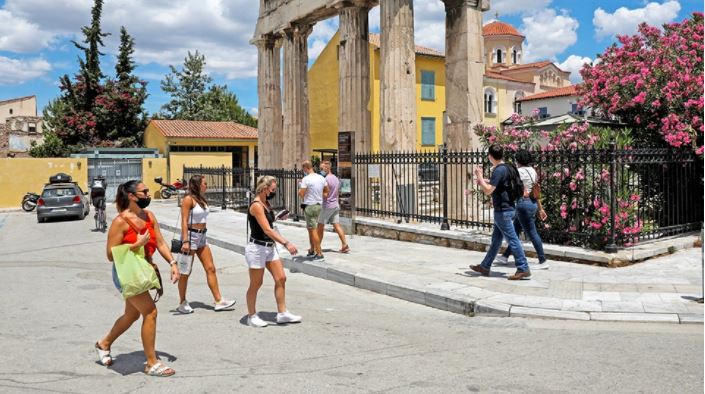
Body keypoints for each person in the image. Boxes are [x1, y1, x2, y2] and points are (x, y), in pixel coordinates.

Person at [95, 180, 180, 377]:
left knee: (132, 315)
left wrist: (173, 263)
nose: (148, 194)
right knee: (150, 312)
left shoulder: (149, 215)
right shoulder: (120, 222)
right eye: (144, 192)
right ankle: (151, 363)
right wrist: (135, 245)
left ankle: (104, 343)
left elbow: (160, 242)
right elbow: (110, 255)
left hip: (142, 270)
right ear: (132, 196)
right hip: (126, 273)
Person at [175, 175, 236, 314]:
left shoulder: (201, 199)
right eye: (204, 183)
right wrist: (185, 241)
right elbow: (184, 221)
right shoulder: (188, 200)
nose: (206, 185)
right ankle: (182, 302)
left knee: (211, 268)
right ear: (197, 185)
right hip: (190, 237)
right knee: (185, 271)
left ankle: (218, 300)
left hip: (202, 236)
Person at [245, 175, 301, 327]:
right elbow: (267, 230)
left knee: (281, 278)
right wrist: (286, 243)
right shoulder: (256, 205)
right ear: (264, 189)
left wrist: (278, 217)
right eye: (273, 189)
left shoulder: (266, 203)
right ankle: (251, 316)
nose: (274, 192)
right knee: (256, 283)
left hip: (269, 247)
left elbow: (269, 223)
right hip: (257, 248)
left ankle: (282, 313)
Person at [470, 145, 531, 280]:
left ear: (490, 156)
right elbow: (501, 186)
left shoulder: (498, 170)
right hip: (509, 208)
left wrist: (479, 177)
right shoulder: (508, 167)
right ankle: (485, 266)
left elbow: (488, 191)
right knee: (496, 240)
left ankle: (523, 267)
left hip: (503, 211)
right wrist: (485, 180)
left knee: (513, 240)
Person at [494, 150, 549, 270]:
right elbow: (536, 191)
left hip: (523, 204)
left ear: (518, 160)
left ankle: (542, 260)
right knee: (515, 230)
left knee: (532, 232)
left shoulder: (518, 172)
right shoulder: (533, 171)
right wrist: (540, 208)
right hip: (532, 203)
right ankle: (505, 256)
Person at [316, 160, 349, 253]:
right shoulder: (335, 178)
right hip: (335, 204)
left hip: (327, 205)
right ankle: (344, 244)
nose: (320, 170)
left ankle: (317, 247)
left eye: (321, 168)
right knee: (337, 225)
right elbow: (337, 191)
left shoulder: (325, 180)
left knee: (320, 226)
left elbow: (325, 194)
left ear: (327, 168)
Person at [298, 160, 328, 261]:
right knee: (311, 229)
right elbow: (326, 191)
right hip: (319, 205)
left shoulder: (306, 179)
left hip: (310, 206)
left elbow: (301, 194)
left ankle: (319, 253)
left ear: (306, 168)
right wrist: (319, 197)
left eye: (303, 169)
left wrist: (300, 187)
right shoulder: (321, 177)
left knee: (313, 229)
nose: (303, 171)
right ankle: (311, 250)